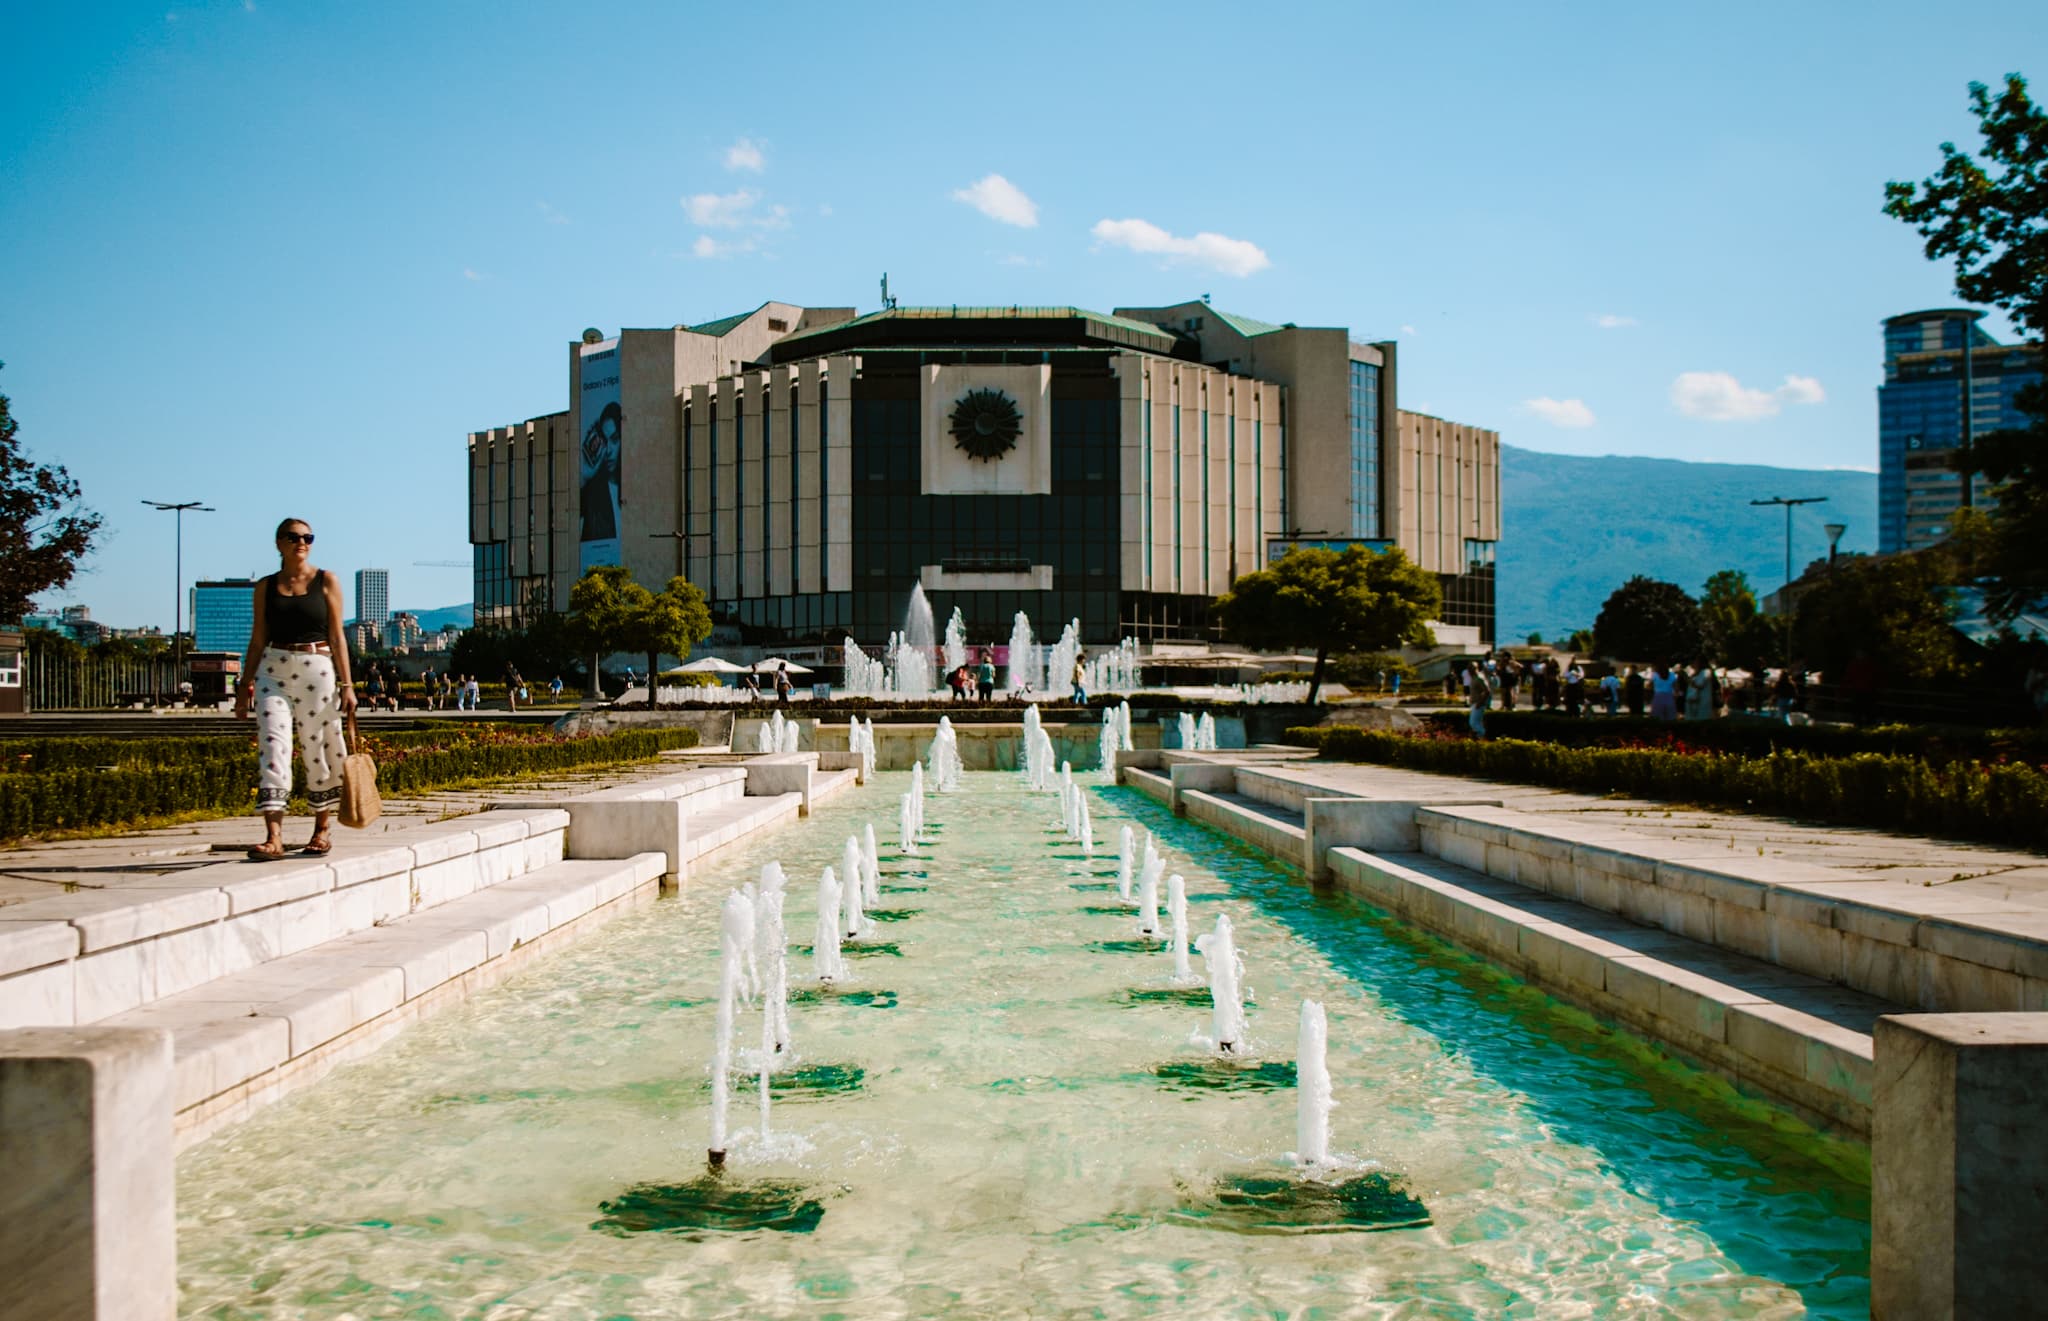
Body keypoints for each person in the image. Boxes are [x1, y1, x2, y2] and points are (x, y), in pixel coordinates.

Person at [234, 518, 355, 861]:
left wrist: (347, 685)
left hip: (318, 669)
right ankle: (274, 837)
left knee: (318, 747)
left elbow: (337, 636)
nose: (301, 542)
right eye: (293, 537)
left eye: (307, 537)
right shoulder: (266, 587)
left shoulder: (326, 580)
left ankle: (321, 829)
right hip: (274, 669)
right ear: (278, 543)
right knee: (273, 745)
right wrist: (245, 685)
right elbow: (258, 639)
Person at [1467, 663, 1492, 738]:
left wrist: (1480, 703)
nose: (1470, 671)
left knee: (1473, 723)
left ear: (1476, 668)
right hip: (1474, 704)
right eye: (1469, 669)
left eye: (1472, 668)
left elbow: (1487, 691)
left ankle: (1482, 735)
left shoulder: (1479, 678)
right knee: (1476, 723)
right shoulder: (1473, 677)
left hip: (1478, 704)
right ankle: (1480, 738)